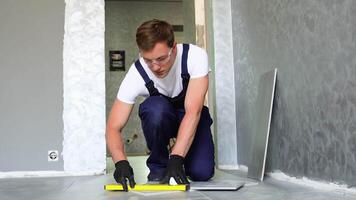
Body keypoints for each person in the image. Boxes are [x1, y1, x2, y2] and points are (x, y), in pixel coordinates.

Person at [106, 19, 215, 191]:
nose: (155, 67)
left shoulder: (194, 57)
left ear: (174, 48)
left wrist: (177, 158)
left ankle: (178, 155)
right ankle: (159, 166)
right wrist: (120, 162)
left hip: (190, 116)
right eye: (148, 60)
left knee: (201, 172)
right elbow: (113, 126)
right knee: (154, 108)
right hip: (162, 116)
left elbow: (193, 113)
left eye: (161, 58)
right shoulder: (137, 74)